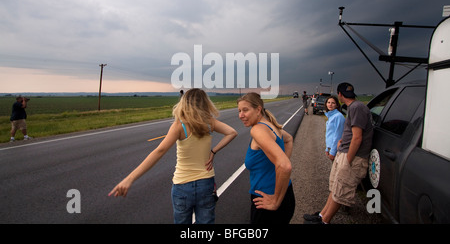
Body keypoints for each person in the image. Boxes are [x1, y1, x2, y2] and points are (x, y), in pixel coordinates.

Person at [109, 88, 238, 224]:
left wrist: (130, 179)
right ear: (205, 103)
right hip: (206, 183)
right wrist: (213, 151)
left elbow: (159, 151)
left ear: (184, 103)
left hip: (182, 185)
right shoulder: (210, 122)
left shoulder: (179, 126)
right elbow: (232, 132)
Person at [304, 82, 373, 224]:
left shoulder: (356, 108)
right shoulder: (353, 107)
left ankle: (325, 221)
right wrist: (342, 142)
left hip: (353, 157)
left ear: (340, 95)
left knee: (340, 192)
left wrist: (348, 160)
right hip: (345, 152)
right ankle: (321, 216)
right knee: (335, 188)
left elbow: (357, 137)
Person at [237, 92, 295, 224]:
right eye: (239, 111)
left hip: (266, 201)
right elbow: (289, 139)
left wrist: (275, 201)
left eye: (245, 110)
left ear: (258, 109)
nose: (241, 115)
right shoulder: (271, 126)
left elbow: (285, 166)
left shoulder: (257, 130)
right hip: (286, 194)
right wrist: (277, 167)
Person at [324, 96, 345, 161]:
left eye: (333, 103)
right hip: (330, 147)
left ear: (336, 105)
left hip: (336, 148)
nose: (330, 104)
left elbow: (338, 135)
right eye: (328, 102)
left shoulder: (338, 116)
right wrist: (327, 148)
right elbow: (329, 133)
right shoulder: (331, 116)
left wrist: (332, 152)